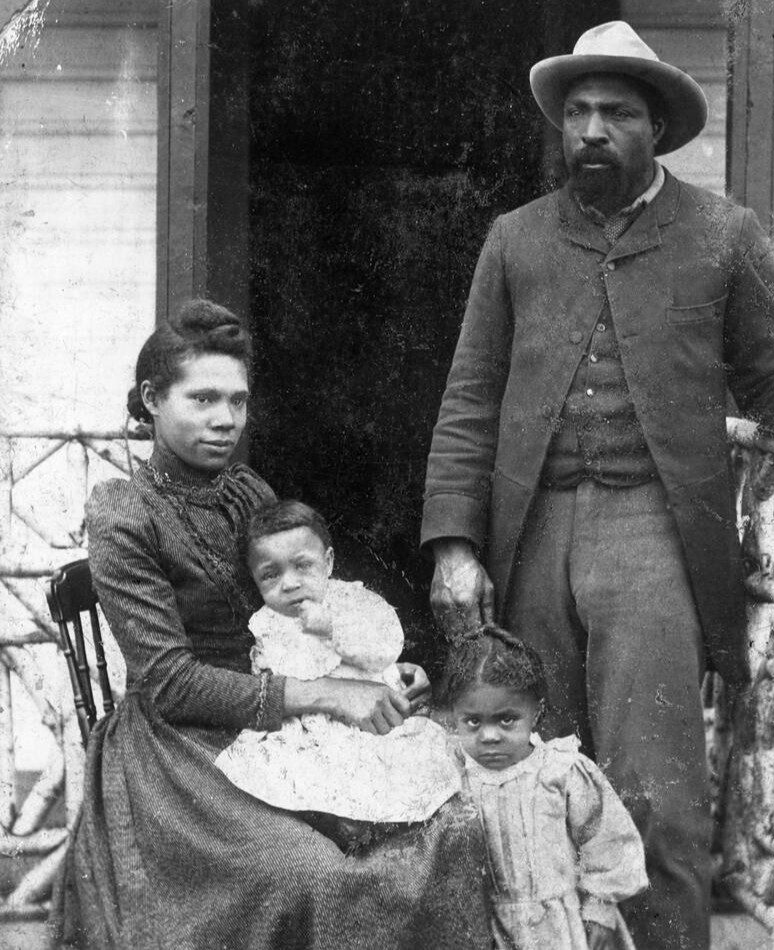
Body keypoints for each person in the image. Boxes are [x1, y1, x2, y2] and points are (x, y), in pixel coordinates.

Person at [421, 21, 774, 950]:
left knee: (653, 790)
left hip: (652, 529)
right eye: (578, 113)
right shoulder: (516, 240)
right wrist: (454, 545)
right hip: (533, 531)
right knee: (533, 780)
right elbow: (470, 394)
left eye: (618, 113)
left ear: (659, 128)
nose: (593, 130)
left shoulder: (722, 233)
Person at [53, 299, 490, 950]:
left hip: (284, 720)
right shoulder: (123, 513)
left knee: (452, 823)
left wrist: (375, 671)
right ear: (151, 399)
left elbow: (300, 611)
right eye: (203, 399)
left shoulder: (246, 492)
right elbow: (170, 684)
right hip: (180, 745)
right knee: (309, 872)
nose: (225, 419)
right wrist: (330, 694)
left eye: (237, 400)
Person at [214, 499, 460, 825]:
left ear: (328, 562)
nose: (290, 583)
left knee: (392, 771)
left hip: (368, 718)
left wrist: (333, 628)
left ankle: (374, 820)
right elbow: (270, 681)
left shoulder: (350, 601)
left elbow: (386, 645)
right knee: (292, 775)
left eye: (303, 566)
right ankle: (338, 821)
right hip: (307, 728)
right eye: (271, 575)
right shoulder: (268, 622)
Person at [440, 624, 647, 950]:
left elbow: (605, 837)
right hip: (485, 928)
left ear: (535, 712)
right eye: (473, 721)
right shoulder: (454, 775)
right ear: (455, 716)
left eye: (506, 719)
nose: (489, 736)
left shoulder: (560, 770)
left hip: (556, 928)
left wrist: (600, 906)